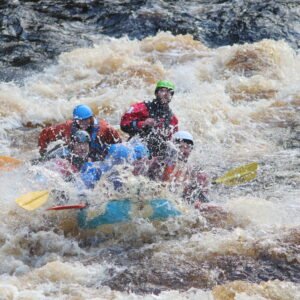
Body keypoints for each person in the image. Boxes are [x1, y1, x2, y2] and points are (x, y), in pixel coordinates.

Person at [134, 130, 209, 207]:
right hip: (157, 199)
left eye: (187, 147)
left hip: (180, 203)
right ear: (172, 147)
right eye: (180, 147)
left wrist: (198, 201)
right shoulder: (159, 162)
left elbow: (199, 196)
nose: (184, 151)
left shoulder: (192, 171)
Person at [38, 104, 121, 161]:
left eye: (86, 120)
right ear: (75, 120)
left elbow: (118, 143)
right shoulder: (68, 127)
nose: (83, 124)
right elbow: (45, 134)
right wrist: (42, 151)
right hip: (75, 156)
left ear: (91, 118)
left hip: (96, 154)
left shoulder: (104, 128)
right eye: (80, 121)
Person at [120, 80, 179, 157]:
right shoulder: (141, 107)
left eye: (169, 92)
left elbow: (173, 141)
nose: (165, 94)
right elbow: (124, 125)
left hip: (157, 153)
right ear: (156, 93)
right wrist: (143, 124)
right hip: (138, 146)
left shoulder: (172, 118)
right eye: (162, 91)